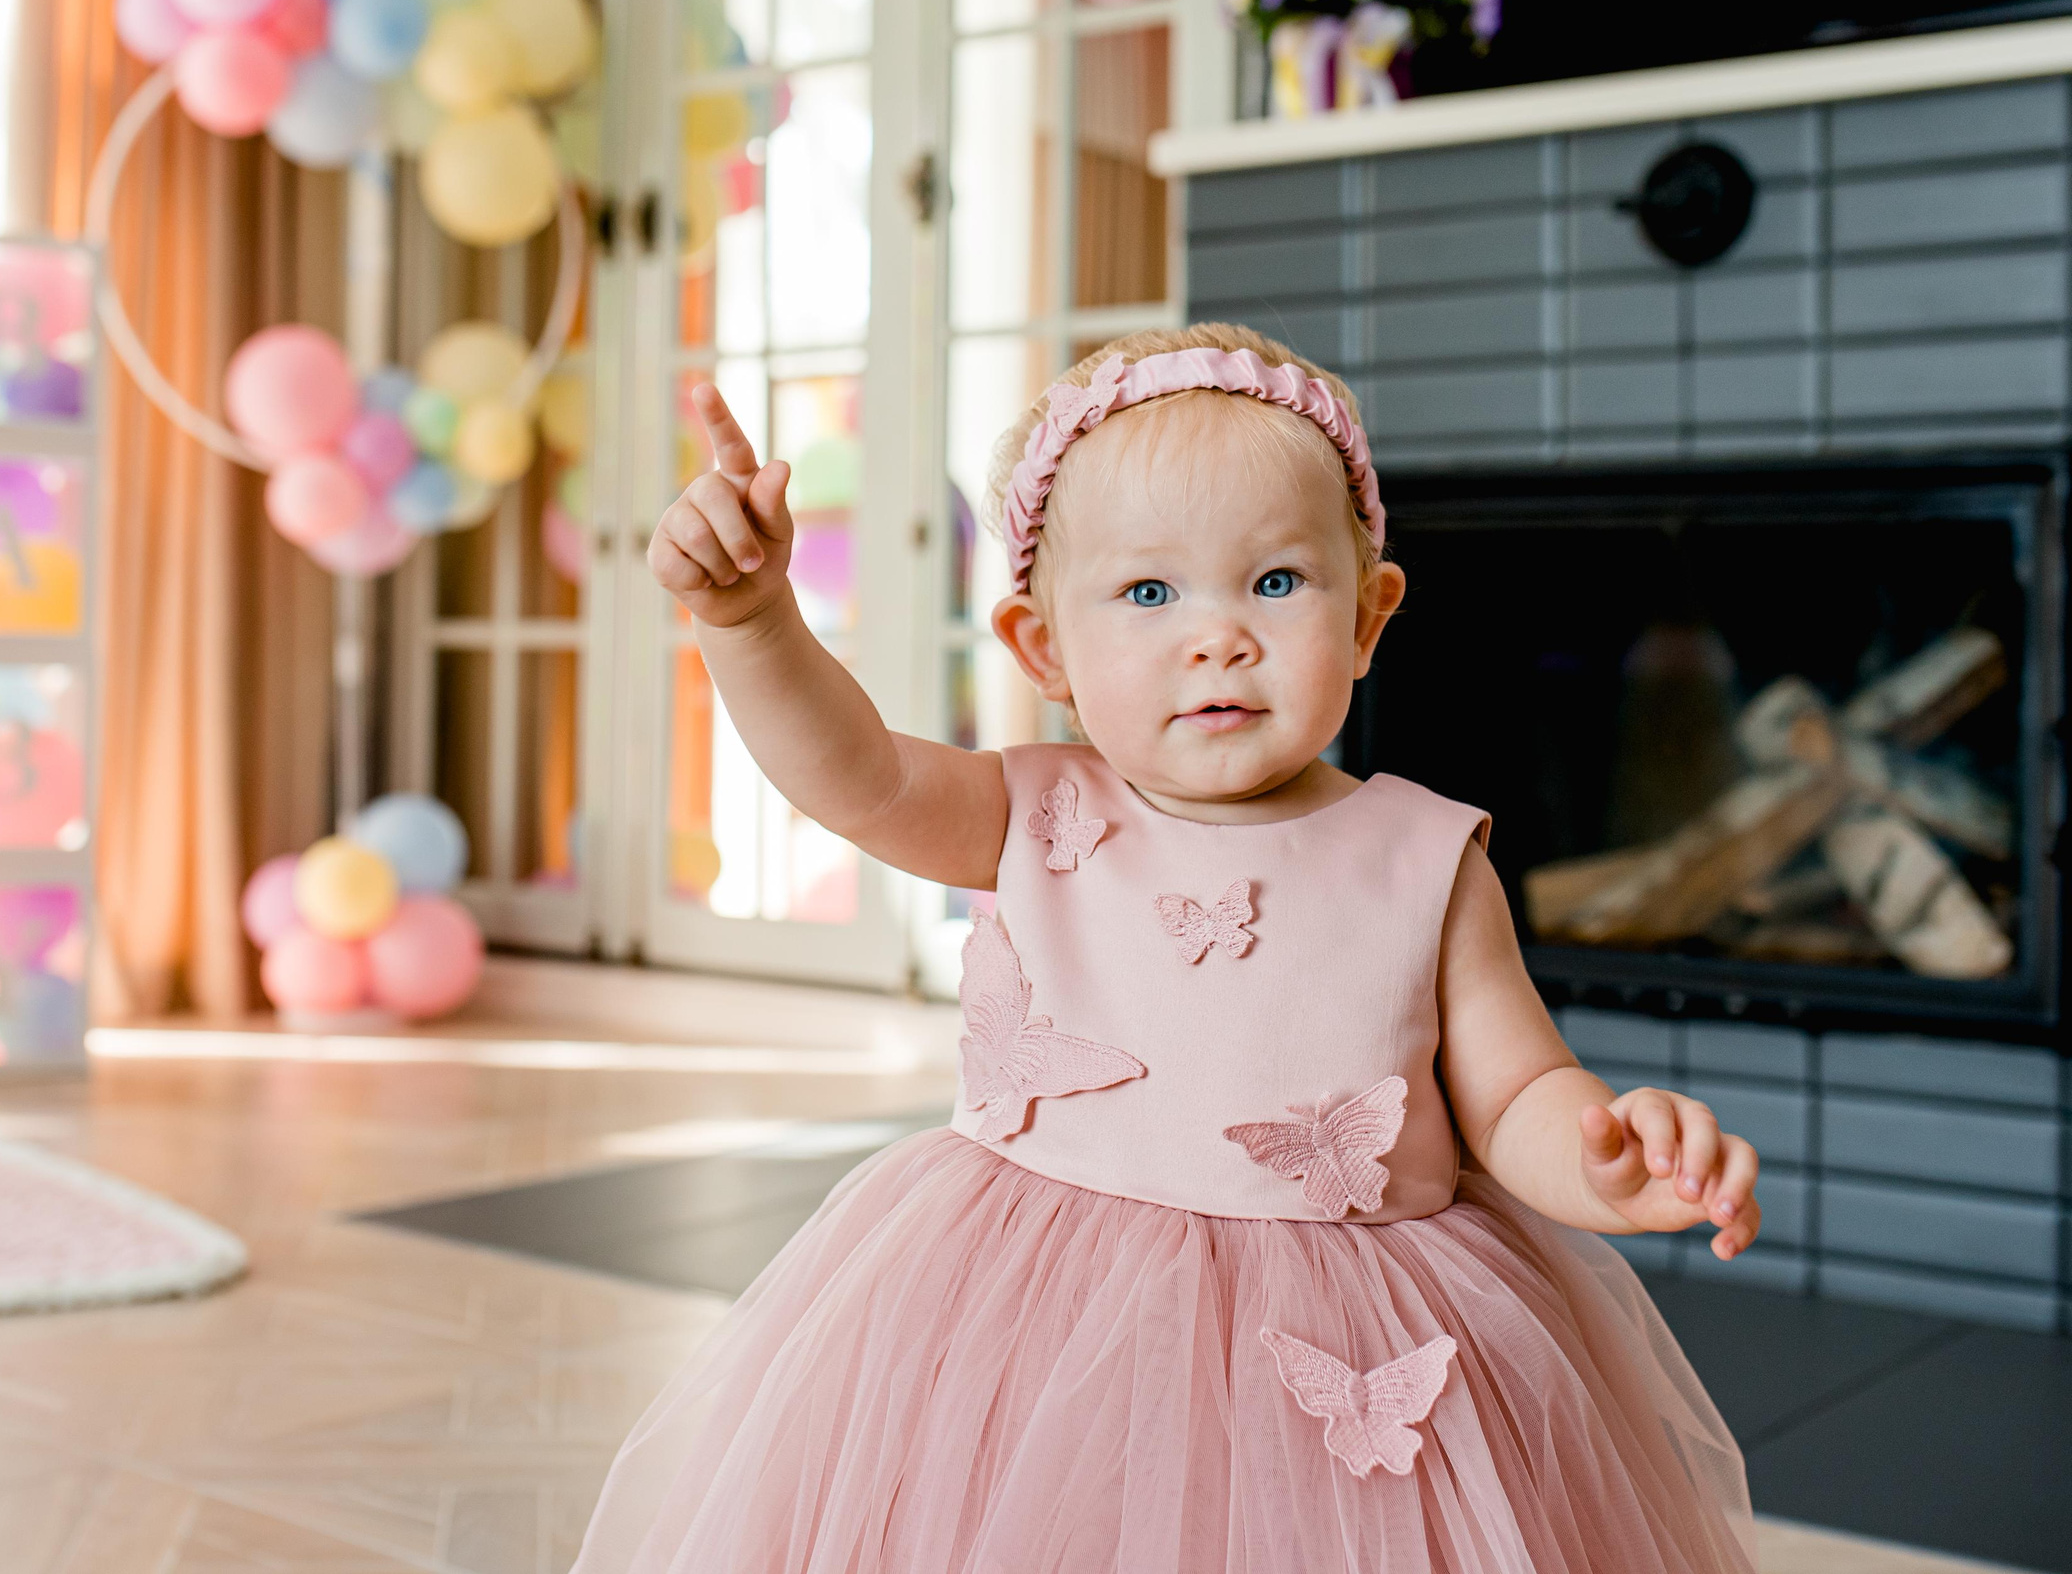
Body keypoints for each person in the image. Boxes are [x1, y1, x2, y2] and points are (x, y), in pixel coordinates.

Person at [573, 322, 1762, 1573]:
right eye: (1149, 592)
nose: (1218, 635)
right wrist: (754, 621)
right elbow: (855, 777)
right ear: (1045, 650)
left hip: (1346, 1349)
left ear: (1368, 616)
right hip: (1035, 1318)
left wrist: (1607, 1160)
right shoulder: (1029, 813)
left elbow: (1515, 1091)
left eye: (1275, 582)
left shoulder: (1426, 856)